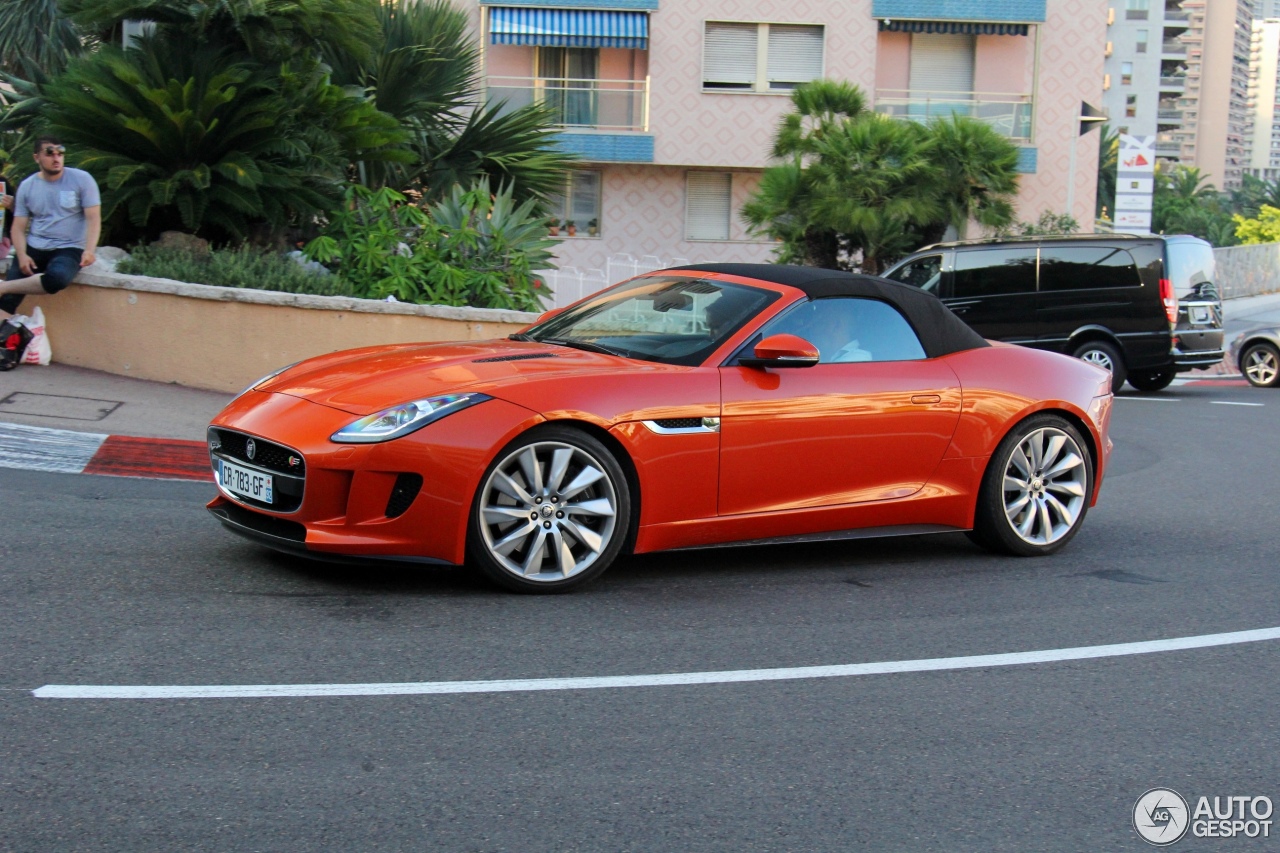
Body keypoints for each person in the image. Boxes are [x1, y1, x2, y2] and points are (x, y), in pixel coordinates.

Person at [0, 137, 101, 320]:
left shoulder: (82, 180)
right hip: (35, 246)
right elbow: (18, 226)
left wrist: (89, 250)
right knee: (6, 302)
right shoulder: (27, 186)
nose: (56, 157)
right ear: (37, 157)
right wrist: (22, 255)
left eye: (60, 152)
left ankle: (4, 286)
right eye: (50, 153)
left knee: (58, 279)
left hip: (70, 247)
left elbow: (93, 219)